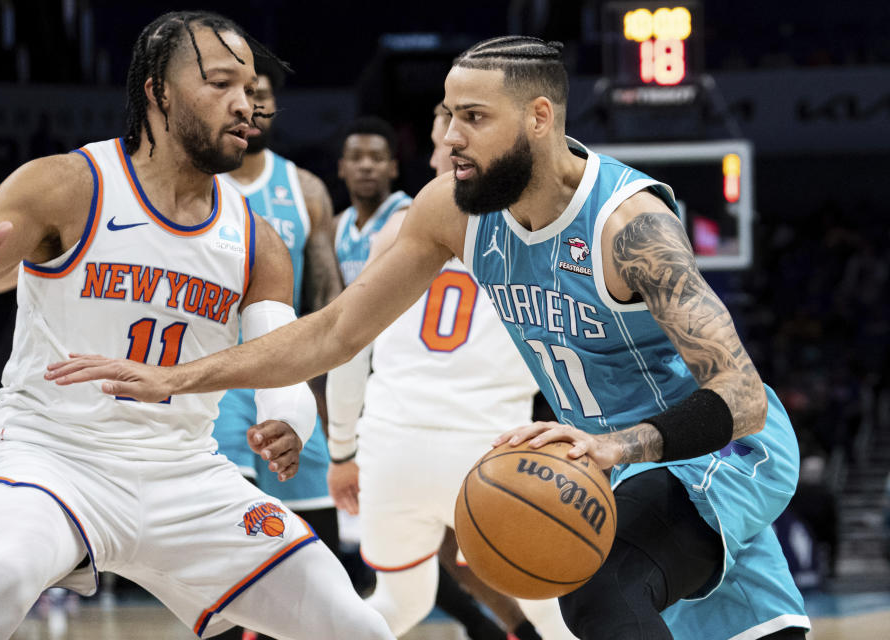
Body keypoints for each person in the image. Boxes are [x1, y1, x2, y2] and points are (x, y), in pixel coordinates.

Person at [45, 35, 810, 640]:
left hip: (717, 449)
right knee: (755, 628)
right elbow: (336, 333)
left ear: (539, 118)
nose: (447, 136)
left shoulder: (631, 226)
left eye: (472, 117)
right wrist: (178, 376)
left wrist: (617, 448)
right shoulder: (453, 209)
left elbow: (740, 398)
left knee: (597, 586)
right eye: (446, 114)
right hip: (604, 457)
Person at [0, 11, 392, 640]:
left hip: (187, 476)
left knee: (356, 623)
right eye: (221, 84)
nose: (245, 104)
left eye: (250, 88)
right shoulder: (68, 185)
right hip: (51, 458)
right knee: (4, 578)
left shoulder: (257, 241)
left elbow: (280, 360)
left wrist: (288, 418)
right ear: (158, 92)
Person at [326, 103, 571, 640]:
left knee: (398, 603)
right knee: (556, 611)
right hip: (491, 449)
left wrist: (342, 451)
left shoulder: (396, 229)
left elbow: (348, 350)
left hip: (391, 444)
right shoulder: (541, 225)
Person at [213, 52, 343, 640]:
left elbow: (329, 296)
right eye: (242, 90)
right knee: (230, 535)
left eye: (261, 92)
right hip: (217, 380)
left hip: (289, 376)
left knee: (316, 540)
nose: (253, 103)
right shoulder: (199, 184)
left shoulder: (305, 189)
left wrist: (323, 387)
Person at [334, 116, 412, 286]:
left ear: (393, 168)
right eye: (355, 158)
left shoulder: (410, 215)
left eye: (377, 158)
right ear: (341, 168)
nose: (366, 166)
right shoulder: (336, 226)